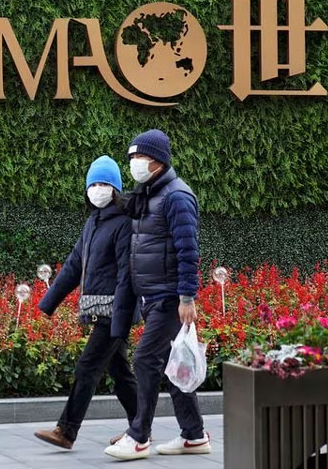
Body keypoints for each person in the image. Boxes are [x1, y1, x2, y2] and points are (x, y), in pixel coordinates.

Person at [105, 129, 210, 460]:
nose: (134, 163)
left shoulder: (177, 197)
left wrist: (187, 298)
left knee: (145, 359)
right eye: (131, 158)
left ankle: (139, 436)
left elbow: (187, 249)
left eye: (139, 158)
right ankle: (193, 435)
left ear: (157, 161)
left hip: (169, 298)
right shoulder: (148, 194)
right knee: (170, 365)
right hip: (151, 297)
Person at [33, 155, 139, 450]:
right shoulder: (92, 223)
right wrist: (48, 303)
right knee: (120, 373)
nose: (98, 189)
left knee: (87, 368)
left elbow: (126, 276)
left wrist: (120, 317)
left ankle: (66, 431)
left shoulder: (123, 224)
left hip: (115, 312)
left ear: (115, 188)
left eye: (104, 183)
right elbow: (73, 265)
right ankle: (140, 428)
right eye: (94, 183)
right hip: (101, 310)